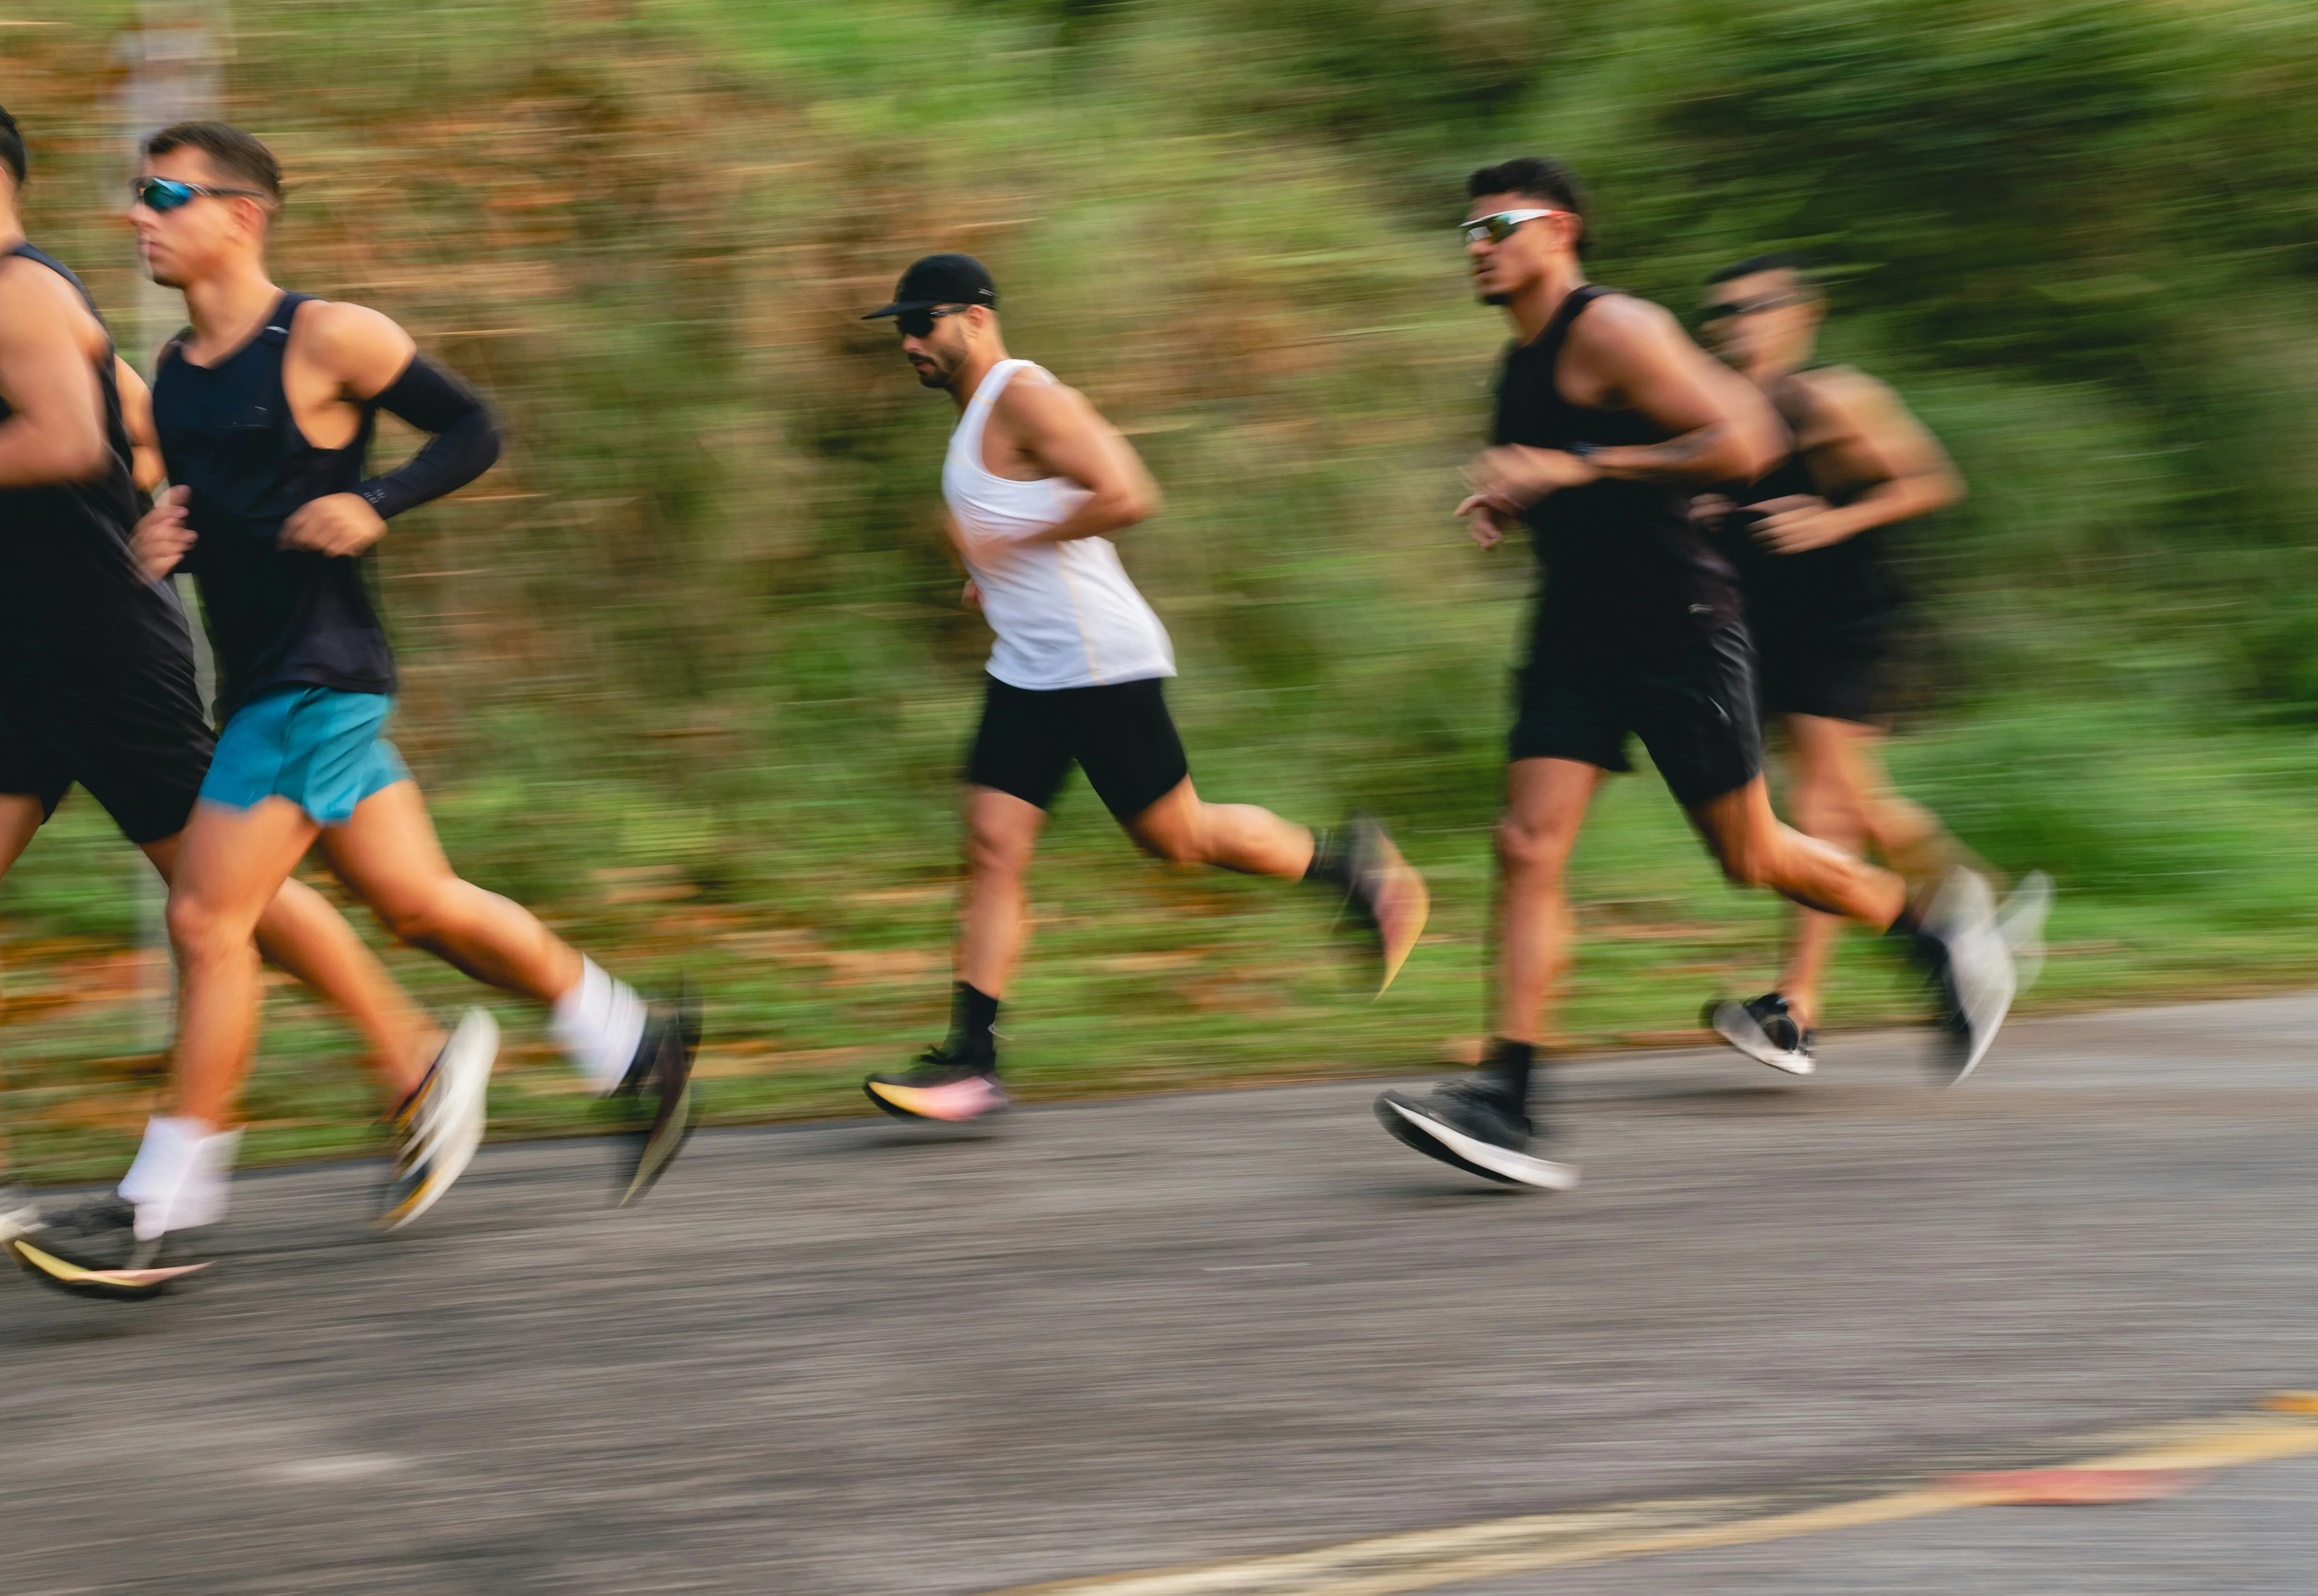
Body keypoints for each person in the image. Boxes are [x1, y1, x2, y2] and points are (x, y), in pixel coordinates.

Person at [0, 96, 495, 1260]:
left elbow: (73, 442)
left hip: (107, 651)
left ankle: (411, 1064)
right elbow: (138, 436)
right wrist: (43, 535)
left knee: (223, 903)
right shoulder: (8, 300)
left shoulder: (18, 291)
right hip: (36, 641)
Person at [5, 121, 698, 1299]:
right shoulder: (173, 372)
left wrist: (377, 499)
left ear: (242, 213)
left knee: (206, 923)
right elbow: (211, 506)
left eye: (164, 194)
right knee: (419, 905)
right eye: (133, 196)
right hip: (268, 678)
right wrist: (158, 543)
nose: (138, 216)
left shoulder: (328, 336)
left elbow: (475, 427)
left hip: (318, 681)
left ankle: (157, 1210)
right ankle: (634, 1039)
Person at [1373, 160, 2019, 1191]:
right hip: (1574, 630)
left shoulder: (1614, 328)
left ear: (1561, 231)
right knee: (1523, 844)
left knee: (1751, 852)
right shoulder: (1518, 362)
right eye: (1468, 231)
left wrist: (1574, 469)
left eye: (1497, 225)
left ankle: (1926, 928)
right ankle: (1509, 1102)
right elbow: (1566, 472)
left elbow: (1745, 439)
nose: (1477, 245)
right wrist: (1515, 497)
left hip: (1676, 625)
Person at [854, 254, 1429, 1126]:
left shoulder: (1023, 394)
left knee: (1179, 837)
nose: (907, 342)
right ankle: (971, 1059)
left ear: (974, 315)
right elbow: (1016, 519)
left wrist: (1009, 550)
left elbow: (1126, 491)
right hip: (1028, 667)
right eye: (899, 327)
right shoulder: (976, 417)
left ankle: (1356, 872)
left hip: (1097, 663)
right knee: (991, 844)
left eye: (920, 321)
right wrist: (988, 573)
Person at [1693, 254, 2044, 1076]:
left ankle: (1794, 1007)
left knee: (1820, 804)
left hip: (1842, 615)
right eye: (1720, 311)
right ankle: (1980, 918)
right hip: (1765, 622)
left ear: (1799, 312)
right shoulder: (1723, 405)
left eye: (1753, 306)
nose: (1734, 322)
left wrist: (1833, 520)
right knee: (1857, 801)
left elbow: (1929, 481)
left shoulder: (1834, 394)